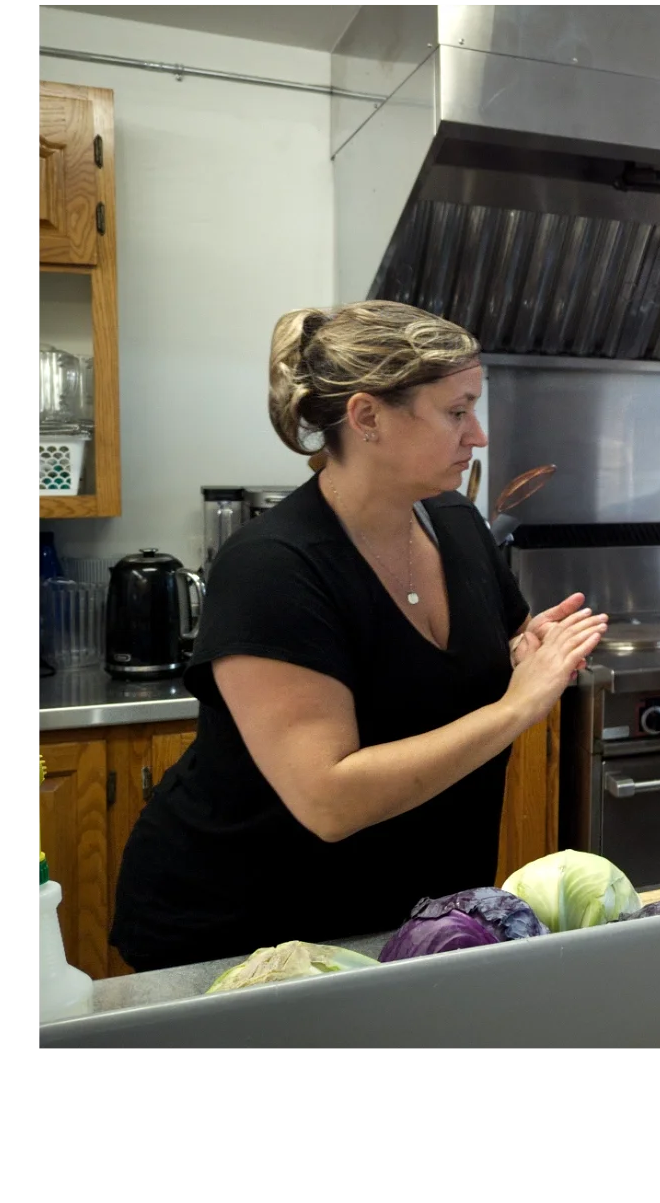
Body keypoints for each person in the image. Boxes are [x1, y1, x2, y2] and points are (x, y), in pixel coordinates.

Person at [109, 302, 608, 971]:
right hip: (243, 928)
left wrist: (528, 651)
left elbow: (498, 648)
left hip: (401, 917)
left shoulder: (457, 525)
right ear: (367, 416)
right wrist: (518, 705)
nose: (479, 435)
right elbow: (329, 799)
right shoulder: (273, 567)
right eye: (456, 411)